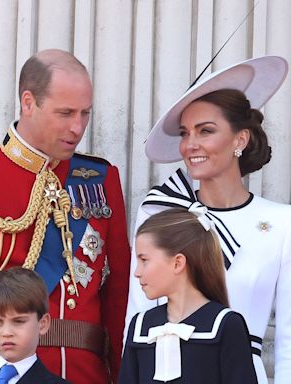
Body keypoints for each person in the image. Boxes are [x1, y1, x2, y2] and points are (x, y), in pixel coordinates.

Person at [0, 48, 131, 384]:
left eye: (85, 114)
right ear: (28, 102)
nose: (77, 128)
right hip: (1, 371)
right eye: (65, 113)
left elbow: (119, 295)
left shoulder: (100, 179)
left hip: (85, 375)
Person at [124, 55, 291, 384]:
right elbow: (138, 313)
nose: (190, 145)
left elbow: (289, 338)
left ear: (239, 140)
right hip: (164, 370)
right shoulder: (161, 212)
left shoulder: (282, 223)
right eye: (186, 133)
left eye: (206, 131)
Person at [119, 208, 257, 383]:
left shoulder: (225, 325)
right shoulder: (140, 326)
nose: (137, 273)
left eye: (144, 260)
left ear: (178, 263)